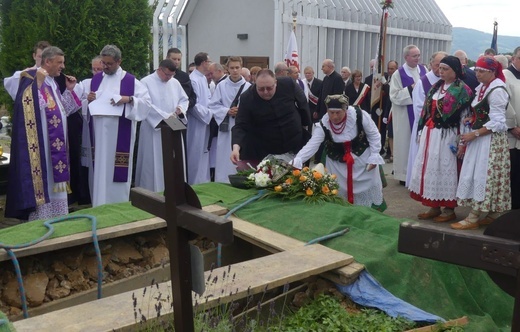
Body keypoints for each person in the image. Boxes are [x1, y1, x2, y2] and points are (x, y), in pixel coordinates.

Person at [5, 46, 81, 220]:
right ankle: (41, 218)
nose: (63, 66)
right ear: (48, 61)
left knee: (55, 182)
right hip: (41, 145)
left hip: (56, 145)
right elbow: (25, 106)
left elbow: (64, 110)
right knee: (44, 180)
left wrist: (69, 90)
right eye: (59, 62)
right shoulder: (31, 77)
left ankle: (57, 216)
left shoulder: (52, 83)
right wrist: (37, 83)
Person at [292, 94, 386, 210]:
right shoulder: (324, 124)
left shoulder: (359, 115)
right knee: (338, 192)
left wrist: (375, 154)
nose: (335, 116)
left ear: (345, 110)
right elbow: (313, 144)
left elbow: (374, 134)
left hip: (362, 161)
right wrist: (299, 159)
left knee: (367, 188)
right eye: (331, 113)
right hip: (337, 165)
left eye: (338, 113)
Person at [409, 56, 473, 222]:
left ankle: (449, 209)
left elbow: (465, 118)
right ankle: (434, 206)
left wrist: (462, 142)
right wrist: (421, 131)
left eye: (445, 69)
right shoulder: (436, 87)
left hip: (448, 136)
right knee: (431, 169)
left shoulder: (462, 90)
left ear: (455, 71)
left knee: (445, 170)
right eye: (440, 69)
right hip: (431, 134)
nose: (441, 72)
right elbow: (427, 111)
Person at [87, 45, 151, 207]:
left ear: (119, 61)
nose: (105, 67)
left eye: (109, 64)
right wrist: (89, 98)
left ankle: (119, 204)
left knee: (116, 171)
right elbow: (87, 104)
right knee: (101, 169)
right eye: (103, 63)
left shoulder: (130, 81)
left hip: (118, 134)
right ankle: (99, 203)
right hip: (100, 134)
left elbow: (146, 103)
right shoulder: (96, 79)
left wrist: (128, 99)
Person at [452, 56, 511, 230]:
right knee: (480, 175)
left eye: (481, 71)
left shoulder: (497, 90)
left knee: (483, 176)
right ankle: (491, 214)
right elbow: (485, 113)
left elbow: (498, 122)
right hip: (481, 139)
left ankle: (474, 216)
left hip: (489, 141)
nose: (477, 74)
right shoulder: (484, 87)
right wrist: (473, 118)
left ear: (492, 72)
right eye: (476, 70)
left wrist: (475, 133)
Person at [231, 69, 311, 163]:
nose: (265, 92)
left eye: (269, 88)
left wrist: (305, 124)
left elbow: (303, 104)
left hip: (294, 140)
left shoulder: (288, 84)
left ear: (276, 83)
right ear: (255, 84)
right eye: (260, 89)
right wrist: (235, 148)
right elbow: (240, 125)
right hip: (266, 147)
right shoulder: (247, 97)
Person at [135, 59, 188, 192]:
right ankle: (151, 191)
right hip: (153, 127)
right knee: (153, 161)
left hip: (173, 123)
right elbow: (145, 104)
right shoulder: (145, 82)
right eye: (167, 75)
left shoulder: (174, 82)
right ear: (159, 69)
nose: (169, 78)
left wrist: (180, 109)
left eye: (172, 75)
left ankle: (175, 190)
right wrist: (164, 116)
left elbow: (184, 99)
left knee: (174, 157)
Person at [406, 51, 447, 187]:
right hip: (426, 126)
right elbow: (419, 107)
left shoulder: (448, 81)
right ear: (430, 64)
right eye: (437, 65)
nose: (439, 70)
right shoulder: (423, 82)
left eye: (443, 66)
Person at [389, 45, 427, 184]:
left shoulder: (423, 70)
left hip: (420, 113)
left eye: (418, 55)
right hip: (405, 115)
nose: (418, 58)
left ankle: (417, 173)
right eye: (414, 56)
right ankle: (404, 175)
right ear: (406, 57)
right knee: (404, 143)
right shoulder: (398, 74)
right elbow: (394, 95)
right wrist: (411, 89)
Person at [209, 56, 250, 183]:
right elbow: (213, 105)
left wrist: (241, 111)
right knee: (224, 156)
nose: (235, 70)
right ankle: (223, 181)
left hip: (242, 126)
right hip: (226, 127)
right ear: (227, 69)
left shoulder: (248, 86)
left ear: (241, 67)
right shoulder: (221, 86)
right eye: (232, 68)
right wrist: (227, 110)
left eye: (237, 67)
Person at [187, 52, 213, 184]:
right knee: (194, 153)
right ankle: (193, 182)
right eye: (209, 61)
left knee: (204, 152)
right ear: (203, 63)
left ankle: (203, 181)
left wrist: (211, 110)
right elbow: (193, 104)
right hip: (196, 122)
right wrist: (208, 115)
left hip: (205, 121)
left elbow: (208, 98)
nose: (210, 64)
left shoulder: (202, 78)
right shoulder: (193, 79)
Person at [504, 46, 520, 209]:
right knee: (513, 173)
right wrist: (512, 127)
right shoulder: (505, 76)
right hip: (513, 134)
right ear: (513, 59)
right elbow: (504, 103)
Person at [385, 60, 398, 162]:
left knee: (396, 134)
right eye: (389, 68)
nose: (390, 71)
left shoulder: (399, 78)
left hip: (397, 109)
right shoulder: (385, 77)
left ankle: (395, 155)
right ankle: (392, 154)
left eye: (392, 69)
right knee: (390, 134)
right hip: (389, 109)